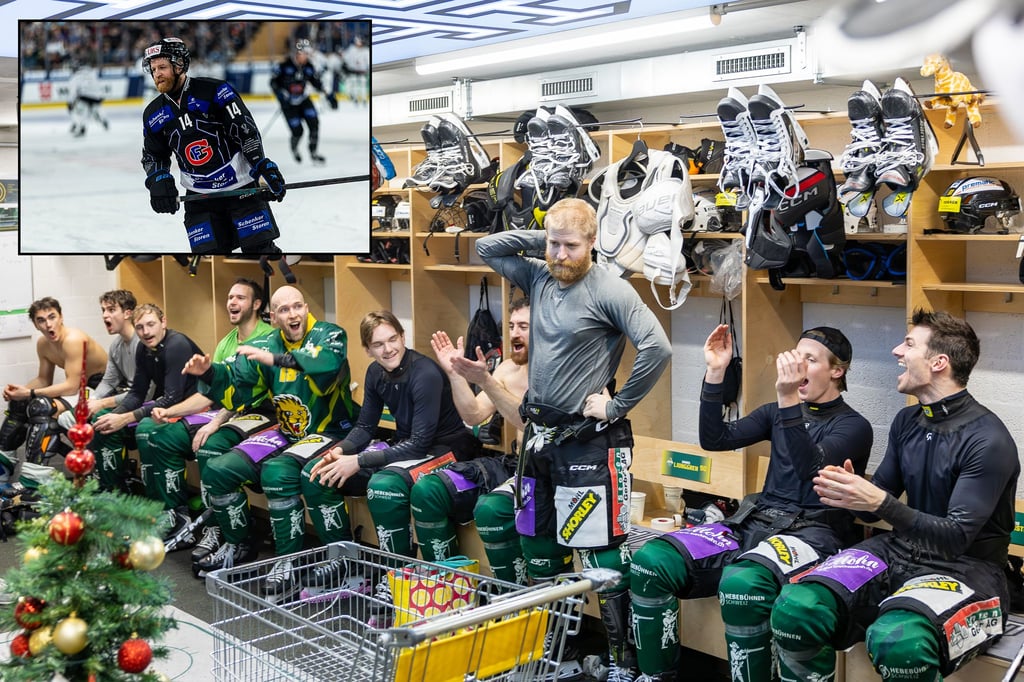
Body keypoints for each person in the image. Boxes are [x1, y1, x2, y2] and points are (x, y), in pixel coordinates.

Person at [476, 197, 673, 681]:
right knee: (537, 544)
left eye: (571, 246)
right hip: (538, 441)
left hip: (589, 441)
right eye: (555, 245)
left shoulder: (610, 288)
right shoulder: (541, 273)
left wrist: (618, 404)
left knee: (602, 554)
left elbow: (658, 347)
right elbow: (486, 247)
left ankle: (622, 663)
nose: (562, 255)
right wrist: (539, 241)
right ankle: (549, 656)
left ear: (591, 243)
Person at [771, 310, 1020, 681]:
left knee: (899, 640)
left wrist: (878, 502)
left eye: (907, 344)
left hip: (969, 569)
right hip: (900, 551)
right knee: (798, 606)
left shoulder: (988, 439)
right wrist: (855, 497)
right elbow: (875, 512)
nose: (895, 351)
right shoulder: (907, 421)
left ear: (939, 363)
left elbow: (955, 537)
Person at [629, 325, 873, 682]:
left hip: (814, 534)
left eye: (811, 359)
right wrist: (716, 371)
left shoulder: (854, 426)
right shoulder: (777, 411)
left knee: (742, 585)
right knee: (652, 560)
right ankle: (656, 676)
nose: (800, 365)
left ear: (837, 370)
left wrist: (789, 399)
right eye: (797, 355)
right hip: (755, 522)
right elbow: (714, 439)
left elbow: (810, 468)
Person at [183, 285, 358, 596]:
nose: (293, 314)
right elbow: (238, 390)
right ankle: (239, 544)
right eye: (284, 310)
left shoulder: (330, 334)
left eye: (297, 307)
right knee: (220, 469)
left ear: (306, 308)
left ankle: (289, 559)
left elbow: (327, 364)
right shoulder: (265, 343)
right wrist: (209, 374)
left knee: (277, 473)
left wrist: (275, 359)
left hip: (332, 432)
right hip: (287, 432)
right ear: (273, 317)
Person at [306, 310, 483, 564]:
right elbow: (365, 426)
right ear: (367, 349)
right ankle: (344, 564)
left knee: (384, 487)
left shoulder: (425, 373)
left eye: (392, 339)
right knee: (315, 472)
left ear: (402, 337)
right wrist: (341, 451)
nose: (388, 349)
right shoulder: (375, 373)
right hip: (408, 448)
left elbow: (420, 442)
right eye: (378, 344)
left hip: (447, 449)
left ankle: (398, 573)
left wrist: (358, 461)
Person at [134, 279, 274, 554]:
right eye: (230, 297)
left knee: (210, 447)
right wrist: (169, 412)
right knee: (161, 436)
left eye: (240, 298)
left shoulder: (269, 339)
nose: (232, 302)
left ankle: (223, 529)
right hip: (232, 412)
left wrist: (215, 422)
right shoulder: (226, 343)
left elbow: (244, 396)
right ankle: (178, 517)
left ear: (256, 304)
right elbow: (212, 394)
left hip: (264, 413)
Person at [410, 297, 536, 577]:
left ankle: (513, 602)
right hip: (513, 464)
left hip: (545, 472)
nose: (515, 333)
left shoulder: (557, 371)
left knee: (491, 508)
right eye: (512, 325)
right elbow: (474, 415)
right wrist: (455, 374)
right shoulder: (506, 369)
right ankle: (445, 587)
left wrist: (486, 381)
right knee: (428, 489)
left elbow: (528, 421)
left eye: (524, 326)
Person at [141, 36, 286, 254]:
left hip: (241, 188)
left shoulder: (215, 91)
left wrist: (261, 166)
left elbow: (245, 131)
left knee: (260, 253)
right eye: (153, 69)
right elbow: (153, 155)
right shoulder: (153, 114)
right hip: (199, 198)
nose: (157, 74)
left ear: (180, 65)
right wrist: (158, 180)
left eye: (162, 67)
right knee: (210, 260)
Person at [90, 304, 203, 501]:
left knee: (147, 428)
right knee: (103, 420)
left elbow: (172, 398)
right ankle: (115, 497)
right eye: (140, 327)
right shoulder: (143, 348)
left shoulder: (177, 345)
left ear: (164, 322)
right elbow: (137, 393)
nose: (146, 332)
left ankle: (168, 507)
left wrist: (125, 418)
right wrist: (116, 415)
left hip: (196, 408)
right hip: (169, 408)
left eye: (151, 324)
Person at [0, 297, 107, 491]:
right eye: (41, 320)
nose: (48, 324)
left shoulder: (74, 339)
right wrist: (19, 392)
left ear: (61, 317)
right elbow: (43, 379)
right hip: (80, 389)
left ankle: (34, 479)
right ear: (35, 324)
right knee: (20, 404)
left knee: (40, 406)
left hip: (101, 388)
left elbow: (72, 386)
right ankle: (3, 470)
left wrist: (29, 393)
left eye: (52, 317)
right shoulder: (43, 344)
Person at [270, 38, 337, 165]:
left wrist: (329, 95)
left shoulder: (308, 66)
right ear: (297, 53)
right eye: (304, 54)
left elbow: (316, 82)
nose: (306, 57)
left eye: (308, 54)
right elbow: (273, 83)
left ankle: (313, 153)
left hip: (304, 100)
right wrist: (281, 97)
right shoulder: (284, 66)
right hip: (289, 104)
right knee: (298, 131)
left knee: (314, 124)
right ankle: (294, 149)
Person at [67, 61, 109, 137]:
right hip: (97, 96)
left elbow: (73, 91)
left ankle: (81, 127)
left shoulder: (75, 77)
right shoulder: (92, 73)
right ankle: (103, 120)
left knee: (79, 113)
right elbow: (99, 85)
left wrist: (70, 103)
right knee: (94, 111)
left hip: (85, 96)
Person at [340, 34, 369, 107]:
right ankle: (355, 99)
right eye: (358, 41)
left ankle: (364, 99)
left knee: (363, 86)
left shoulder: (366, 50)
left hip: (363, 71)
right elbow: (345, 58)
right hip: (353, 71)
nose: (359, 43)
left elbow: (368, 61)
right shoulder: (351, 49)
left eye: (361, 42)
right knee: (354, 86)